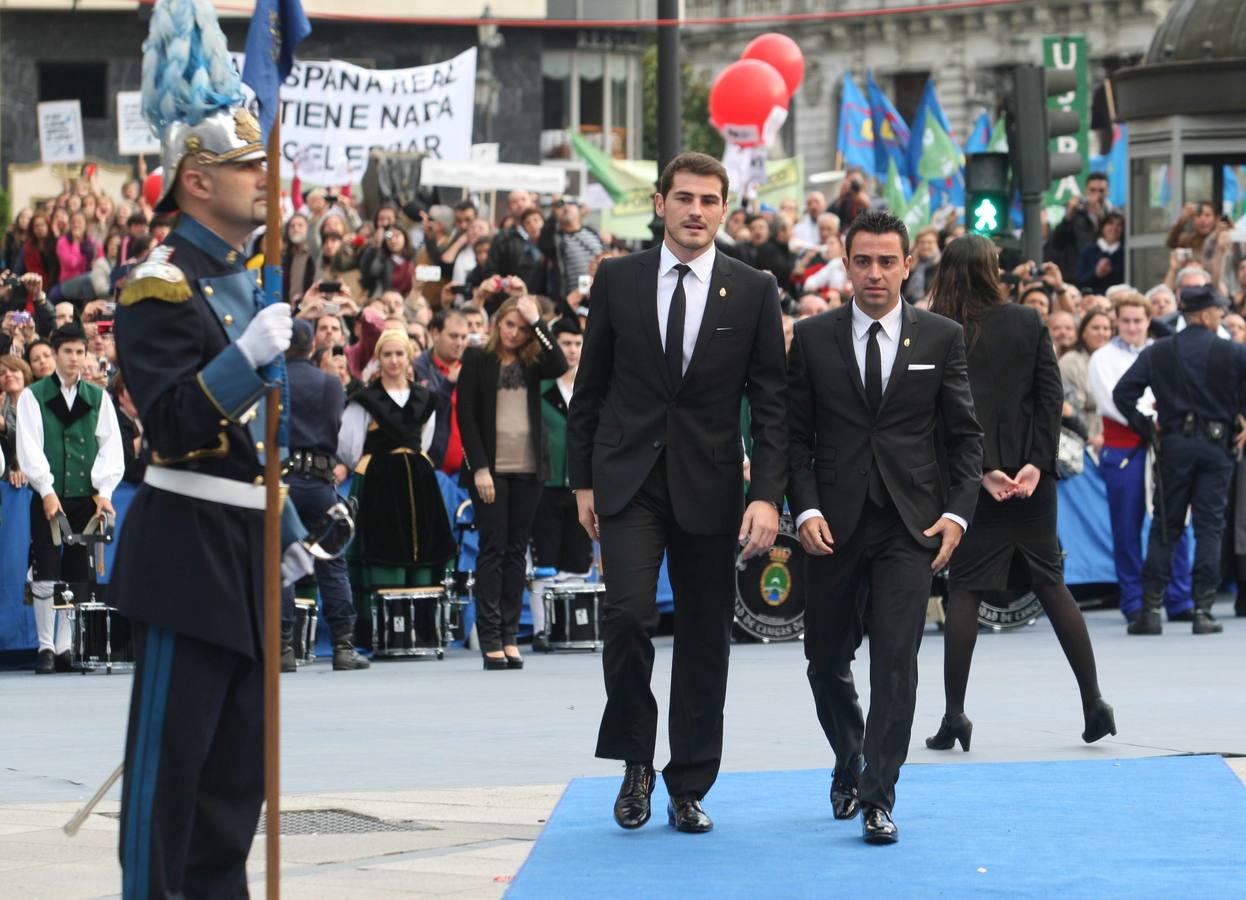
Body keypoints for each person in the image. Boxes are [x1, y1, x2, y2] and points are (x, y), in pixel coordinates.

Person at [110, 21, 314, 893]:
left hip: (248, 547)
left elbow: (257, 442)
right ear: (195, 180)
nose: (264, 177)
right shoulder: (160, 281)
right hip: (187, 543)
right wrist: (244, 361)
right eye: (246, 166)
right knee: (171, 774)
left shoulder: (247, 277)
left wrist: (293, 525)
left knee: (236, 780)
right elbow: (174, 424)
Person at [567, 151, 787, 835]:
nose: (696, 211)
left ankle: (688, 782)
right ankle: (635, 757)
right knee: (629, 616)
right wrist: (581, 481)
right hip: (628, 479)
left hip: (713, 485)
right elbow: (591, 388)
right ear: (658, 204)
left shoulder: (753, 289)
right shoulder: (619, 279)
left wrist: (768, 495)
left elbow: (772, 404)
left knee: (704, 639)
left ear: (725, 209)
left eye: (710, 199)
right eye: (684, 197)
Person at [785, 209, 982, 844]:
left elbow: (964, 436)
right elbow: (793, 438)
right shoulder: (813, 338)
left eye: (887, 261)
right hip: (832, 524)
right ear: (846, 265)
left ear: (906, 265)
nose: (875, 273)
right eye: (863, 261)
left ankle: (878, 794)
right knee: (824, 659)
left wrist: (956, 513)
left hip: (911, 523)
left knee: (896, 660)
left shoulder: (940, 336)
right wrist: (806, 507)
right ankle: (851, 755)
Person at [925, 235, 1114, 753]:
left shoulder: (940, 330)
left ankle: (955, 715)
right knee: (1052, 585)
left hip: (972, 482)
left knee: (964, 590)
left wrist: (983, 471)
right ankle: (1094, 701)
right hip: (1033, 483)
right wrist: (1035, 464)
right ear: (993, 269)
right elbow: (1051, 396)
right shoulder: (1028, 322)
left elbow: (939, 412)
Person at [1113, 286, 1246, 635]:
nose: (1221, 315)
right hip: (1218, 446)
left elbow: (1123, 393)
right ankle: (1203, 611)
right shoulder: (1233, 352)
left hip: (1173, 445)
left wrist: (1147, 427)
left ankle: (1151, 611)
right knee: (1209, 526)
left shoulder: (1159, 352)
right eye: (1217, 310)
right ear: (1204, 315)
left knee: (1166, 527)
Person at [456, 295, 567, 669]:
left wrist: (539, 322)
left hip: (529, 467)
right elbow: (466, 416)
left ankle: (508, 635)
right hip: (491, 469)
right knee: (493, 548)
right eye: (510, 325)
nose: (515, 334)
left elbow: (560, 362)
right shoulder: (477, 357)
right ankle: (490, 637)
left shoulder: (533, 359)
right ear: (497, 322)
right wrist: (479, 468)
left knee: (517, 551)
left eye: (522, 329)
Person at [16, 322, 124, 673]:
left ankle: (66, 647)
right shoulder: (34, 395)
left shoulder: (98, 398)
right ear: (56, 353)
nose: (75, 359)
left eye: (80, 352)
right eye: (68, 352)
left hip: (85, 498)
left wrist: (104, 493)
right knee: (46, 570)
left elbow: (110, 447)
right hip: (50, 496)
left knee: (78, 573)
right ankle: (46, 647)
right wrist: (45, 491)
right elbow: (29, 447)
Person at [1089, 293, 1194, 627]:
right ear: (1117, 322)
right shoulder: (1102, 357)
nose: (1132, 326)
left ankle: (1179, 598)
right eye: (1126, 321)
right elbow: (1113, 401)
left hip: (1164, 446)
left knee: (1175, 522)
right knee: (1127, 526)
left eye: (1138, 320)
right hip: (1125, 449)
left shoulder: (1162, 352)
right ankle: (1134, 601)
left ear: (1149, 321)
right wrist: (1154, 417)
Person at [337, 329, 457, 619]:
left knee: (424, 545)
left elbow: (425, 441)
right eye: (387, 355)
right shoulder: (364, 399)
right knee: (383, 544)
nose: (393, 361)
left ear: (409, 357)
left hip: (419, 481)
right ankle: (383, 625)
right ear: (378, 359)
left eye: (399, 354)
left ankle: (424, 624)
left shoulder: (425, 398)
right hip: (380, 481)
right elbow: (350, 446)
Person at [281, 320, 369, 672]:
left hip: (284, 481)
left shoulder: (274, 382)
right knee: (332, 562)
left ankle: (283, 648)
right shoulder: (331, 384)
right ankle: (344, 647)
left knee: (282, 567)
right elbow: (334, 429)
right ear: (311, 347)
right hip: (319, 481)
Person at [529, 317, 592, 650]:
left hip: (582, 486)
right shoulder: (540, 389)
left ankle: (573, 626)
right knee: (545, 563)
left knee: (577, 559)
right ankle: (542, 629)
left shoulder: (593, 386)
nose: (571, 350)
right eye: (565, 343)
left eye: (577, 343)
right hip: (547, 485)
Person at [413, 308, 468, 475]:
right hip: (433, 469)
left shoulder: (473, 367)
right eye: (453, 336)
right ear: (435, 333)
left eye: (464, 337)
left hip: (469, 472)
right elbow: (424, 411)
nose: (459, 343)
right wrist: (448, 383)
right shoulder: (416, 368)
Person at [1060, 310, 1112, 452]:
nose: (1101, 333)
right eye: (1095, 328)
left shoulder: (1113, 361)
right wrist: (1090, 437)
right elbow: (1068, 410)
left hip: (1110, 439)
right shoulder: (1070, 362)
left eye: (1106, 328)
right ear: (1083, 332)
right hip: (1080, 442)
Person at [1075, 212, 1125, 296]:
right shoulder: (1089, 251)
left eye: (1119, 225)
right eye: (1110, 223)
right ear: (1102, 227)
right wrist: (1096, 274)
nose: (1114, 228)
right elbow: (1079, 281)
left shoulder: (1125, 252)